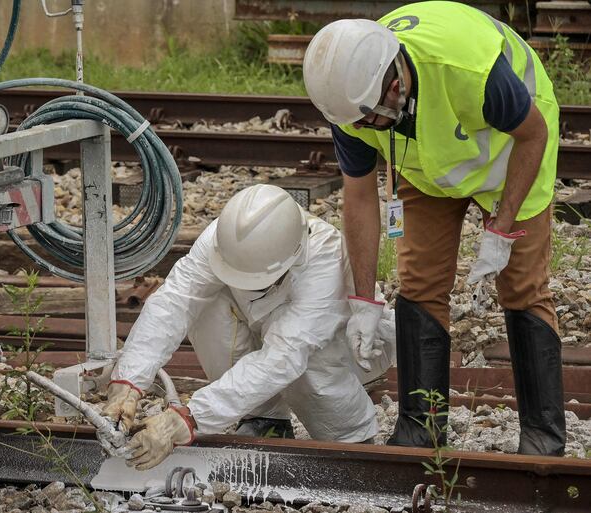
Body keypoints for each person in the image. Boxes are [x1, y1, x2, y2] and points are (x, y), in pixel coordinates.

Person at [302, 1, 564, 455]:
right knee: (419, 283)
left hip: (513, 149)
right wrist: (364, 298)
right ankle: (421, 429)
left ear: (396, 82)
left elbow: (533, 135)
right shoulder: (348, 98)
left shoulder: (466, 68)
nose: (364, 128)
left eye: (371, 118)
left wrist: (500, 229)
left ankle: (543, 437)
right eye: (356, 122)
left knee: (522, 286)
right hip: (427, 162)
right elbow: (360, 197)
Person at [101, 184, 395, 471]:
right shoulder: (224, 239)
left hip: (349, 350)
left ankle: (351, 443)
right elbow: (174, 302)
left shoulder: (325, 263)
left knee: (305, 360)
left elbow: (282, 358)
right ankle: (266, 420)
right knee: (206, 301)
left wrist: (185, 419)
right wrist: (128, 383)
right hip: (269, 328)